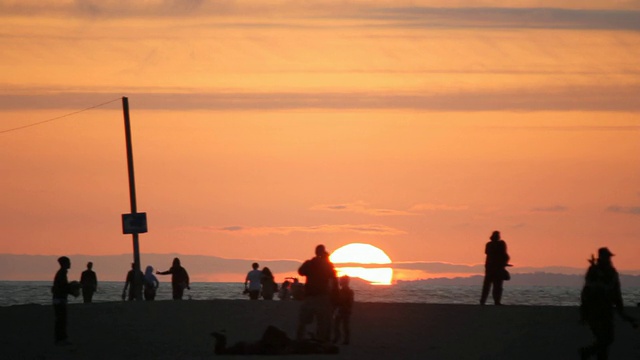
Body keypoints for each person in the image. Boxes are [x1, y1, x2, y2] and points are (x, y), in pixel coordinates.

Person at [579, 247, 638, 359]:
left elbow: (616, 293)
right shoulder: (598, 271)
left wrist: (621, 311)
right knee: (606, 339)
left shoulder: (605, 271)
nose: (609, 259)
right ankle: (586, 352)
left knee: (605, 340)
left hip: (604, 310)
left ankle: (589, 353)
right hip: (598, 310)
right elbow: (587, 292)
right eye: (607, 256)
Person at [296, 244, 338, 342]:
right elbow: (333, 279)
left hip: (311, 295)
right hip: (322, 296)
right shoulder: (326, 265)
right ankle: (321, 339)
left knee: (304, 320)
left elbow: (301, 271)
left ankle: (300, 338)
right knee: (322, 321)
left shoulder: (310, 263)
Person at [211, 325, 338, 355]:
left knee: (250, 346)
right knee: (244, 347)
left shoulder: (317, 348)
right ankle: (222, 344)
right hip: (283, 345)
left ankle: (222, 344)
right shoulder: (318, 345)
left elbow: (298, 348)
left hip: (283, 347)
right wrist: (315, 338)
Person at [52, 256, 79, 346]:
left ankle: (59, 338)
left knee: (60, 320)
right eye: (68, 262)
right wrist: (73, 290)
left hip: (58, 298)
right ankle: (61, 339)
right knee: (62, 320)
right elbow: (63, 287)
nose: (70, 264)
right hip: (60, 299)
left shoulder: (61, 273)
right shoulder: (62, 273)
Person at [480, 230, 510, 305]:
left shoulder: (489, 244)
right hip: (497, 268)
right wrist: (504, 263)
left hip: (490, 268)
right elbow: (504, 254)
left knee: (487, 286)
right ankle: (496, 302)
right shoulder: (501, 244)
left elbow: (487, 253)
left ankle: (483, 301)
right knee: (497, 286)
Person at [332, 275, 354, 345]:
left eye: (341, 281)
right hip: (343, 309)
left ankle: (343, 339)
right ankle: (340, 338)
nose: (340, 282)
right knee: (339, 325)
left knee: (343, 325)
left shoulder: (347, 291)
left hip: (344, 309)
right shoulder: (344, 291)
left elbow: (348, 301)